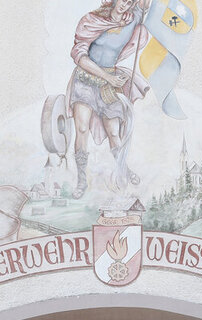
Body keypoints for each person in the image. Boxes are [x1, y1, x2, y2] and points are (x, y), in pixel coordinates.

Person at [66, 0, 151, 197]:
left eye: (130, 1)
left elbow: (145, 5)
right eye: (122, 0)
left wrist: (110, 79)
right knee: (82, 128)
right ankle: (81, 180)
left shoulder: (132, 19)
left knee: (114, 132)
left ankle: (123, 169)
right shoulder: (92, 21)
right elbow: (79, 56)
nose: (125, 5)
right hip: (86, 80)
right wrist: (108, 77)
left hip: (108, 84)